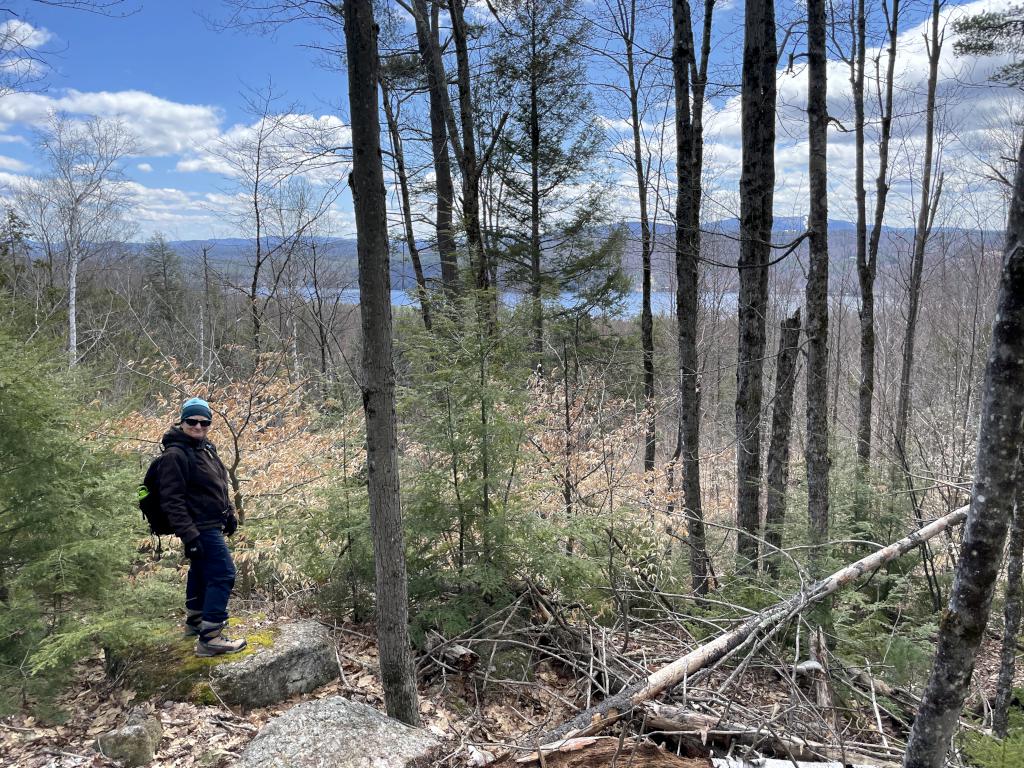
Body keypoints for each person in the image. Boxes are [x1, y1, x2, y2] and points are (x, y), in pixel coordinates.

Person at [159, 397, 247, 657]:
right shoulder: (176, 454)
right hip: (199, 527)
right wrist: (190, 536)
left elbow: (218, 485)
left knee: (200, 569)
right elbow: (171, 500)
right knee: (223, 573)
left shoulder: (205, 448)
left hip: (211, 523)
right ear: (182, 421)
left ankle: (196, 623)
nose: (198, 426)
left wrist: (229, 514)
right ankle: (211, 638)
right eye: (192, 421)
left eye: (204, 422)